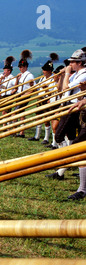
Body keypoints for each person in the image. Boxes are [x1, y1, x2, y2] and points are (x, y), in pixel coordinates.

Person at [46, 49, 86, 181]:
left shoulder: (83, 74)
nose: (70, 64)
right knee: (71, 138)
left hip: (73, 108)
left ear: (80, 62)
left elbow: (66, 88)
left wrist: (67, 73)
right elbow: (60, 88)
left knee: (58, 136)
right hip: (68, 105)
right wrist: (62, 75)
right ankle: (63, 170)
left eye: (73, 62)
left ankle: (63, 166)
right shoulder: (76, 74)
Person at [28, 53, 59, 143]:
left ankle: (46, 138)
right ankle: (37, 136)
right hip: (40, 99)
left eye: (45, 70)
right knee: (38, 117)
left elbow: (53, 93)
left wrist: (46, 90)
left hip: (47, 100)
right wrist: (32, 85)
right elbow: (37, 88)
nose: (43, 72)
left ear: (49, 71)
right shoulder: (42, 78)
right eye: (43, 70)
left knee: (46, 119)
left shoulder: (53, 79)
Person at [11, 49, 35, 138]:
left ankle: (14, 131)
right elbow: (17, 87)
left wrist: (25, 95)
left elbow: (33, 88)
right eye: (19, 67)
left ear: (25, 67)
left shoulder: (30, 75)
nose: (20, 69)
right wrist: (17, 78)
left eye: (21, 67)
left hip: (24, 97)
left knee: (15, 113)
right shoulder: (22, 75)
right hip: (19, 95)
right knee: (21, 114)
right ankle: (21, 132)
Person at [0, 56, 16, 124]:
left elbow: (15, 86)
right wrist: (0, 79)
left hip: (8, 96)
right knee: (3, 112)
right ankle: (5, 126)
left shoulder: (12, 78)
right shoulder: (4, 78)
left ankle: (7, 126)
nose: (4, 72)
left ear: (9, 71)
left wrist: (13, 92)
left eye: (5, 70)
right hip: (3, 96)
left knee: (6, 112)